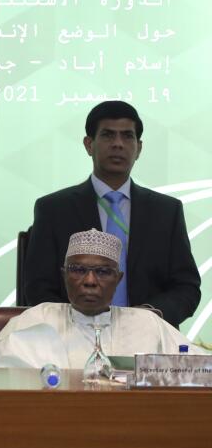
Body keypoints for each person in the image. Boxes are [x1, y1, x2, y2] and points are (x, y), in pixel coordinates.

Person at [23, 100, 200, 327]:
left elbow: (186, 287)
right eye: (107, 135)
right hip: (71, 341)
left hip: (147, 338)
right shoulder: (53, 210)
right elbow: (38, 288)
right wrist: (80, 325)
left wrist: (148, 317)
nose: (118, 144)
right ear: (89, 145)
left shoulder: (167, 211)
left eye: (127, 136)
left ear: (139, 148)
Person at [0, 229, 204, 368]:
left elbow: (201, 369)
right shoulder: (34, 320)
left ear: (118, 279)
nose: (89, 281)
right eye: (78, 270)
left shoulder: (146, 323)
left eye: (103, 272)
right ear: (64, 275)